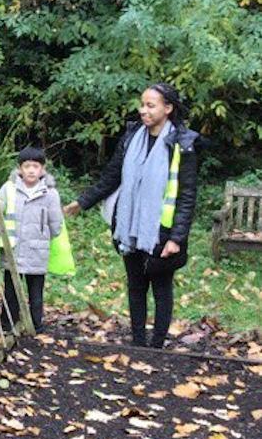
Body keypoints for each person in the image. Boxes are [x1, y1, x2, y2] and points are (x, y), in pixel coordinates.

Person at [64, 83, 198, 348]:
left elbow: (186, 195)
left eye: (151, 105)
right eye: (142, 104)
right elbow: (111, 177)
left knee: (161, 289)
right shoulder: (131, 137)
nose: (143, 111)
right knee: (135, 287)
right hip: (130, 227)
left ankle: (157, 345)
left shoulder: (183, 144)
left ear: (168, 108)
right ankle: (138, 342)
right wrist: (82, 202)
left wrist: (177, 237)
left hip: (162, 230)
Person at [0, 147, 63, 333]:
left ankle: (36, 325)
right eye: (26, 166)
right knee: (10, 290)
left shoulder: (50, 193)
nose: (30, 170)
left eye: (35, 166)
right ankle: (7, 324)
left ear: (42, 170)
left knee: (36, 292)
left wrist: (43, 235)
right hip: (12, 250)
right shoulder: (8, 189)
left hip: (37, 250)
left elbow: (56, 224)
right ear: (20, 169)